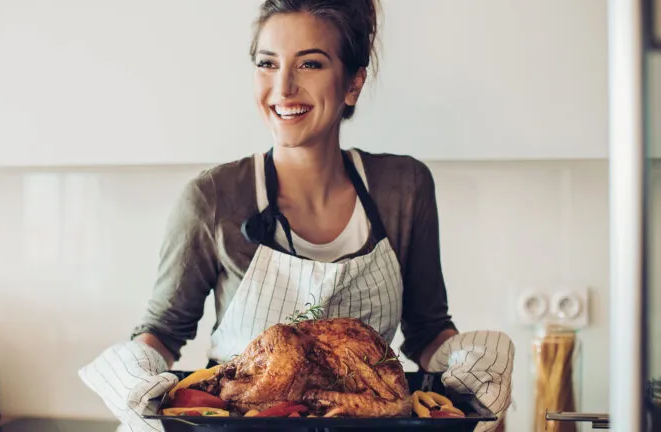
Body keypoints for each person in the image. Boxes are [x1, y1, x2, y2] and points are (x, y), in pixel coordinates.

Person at [79, 1, 514, 431]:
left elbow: (427, 329)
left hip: (371, 419)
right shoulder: (214, 198)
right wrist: (135, 377)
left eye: (310, 65)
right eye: (267, 64)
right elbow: (163, 331)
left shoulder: (403, 187)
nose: (283, 87)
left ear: (353, 84)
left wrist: (472, 364)